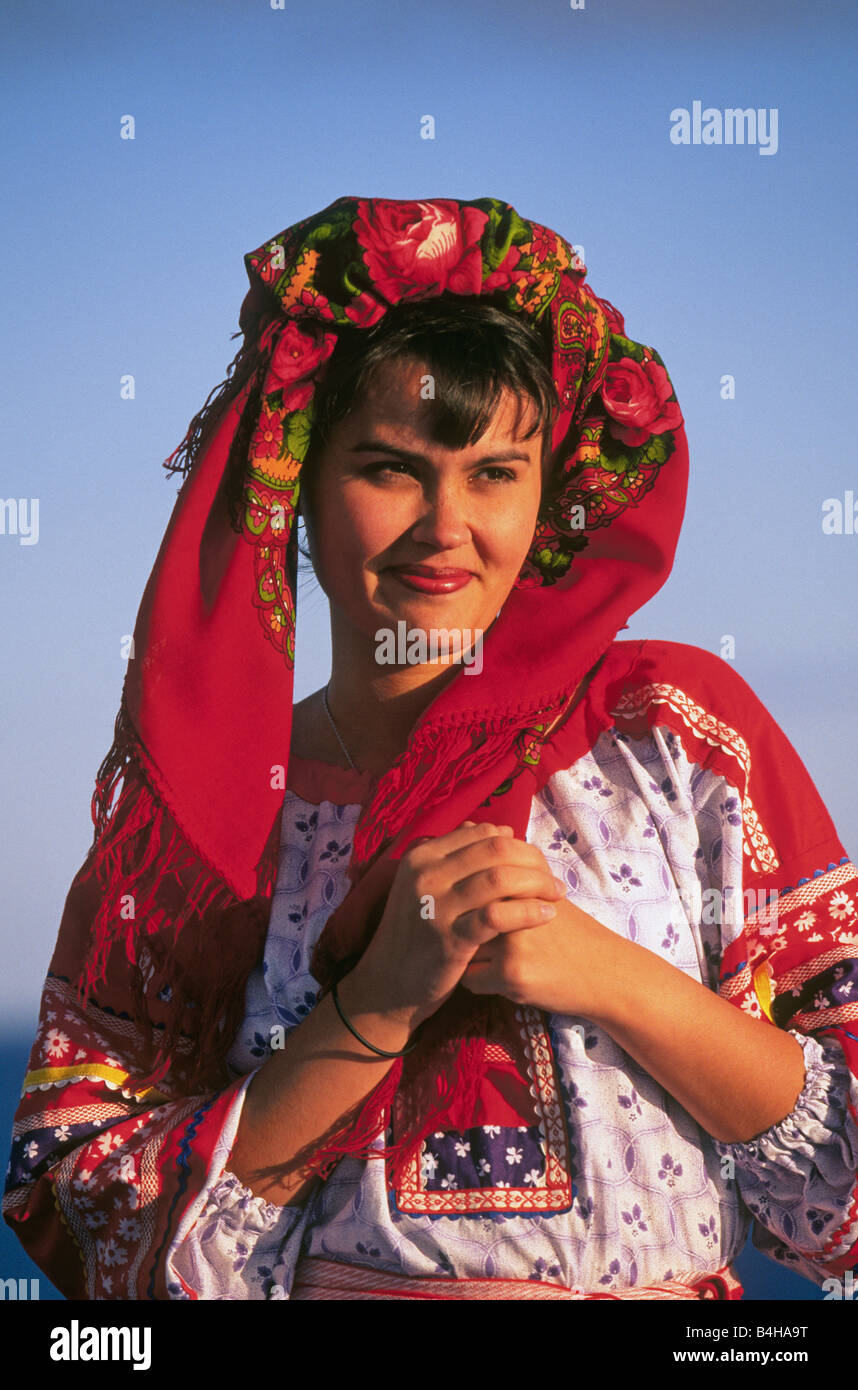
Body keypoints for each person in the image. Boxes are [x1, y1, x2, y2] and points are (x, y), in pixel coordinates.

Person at [5, 196, 858, 1301]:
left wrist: (608, 975)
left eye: (495, 472)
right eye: (392, 469)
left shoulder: (676, 735)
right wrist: (375, 1007)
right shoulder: (200, 823)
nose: (446, 525)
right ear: (300, 487)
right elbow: (83, 1224)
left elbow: (845, 1205)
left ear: (549, 493)